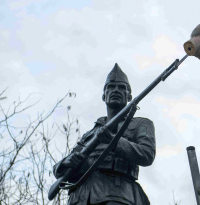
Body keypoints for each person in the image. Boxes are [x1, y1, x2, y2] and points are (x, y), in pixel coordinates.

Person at [53, 63, 156, 205]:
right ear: (104, 95)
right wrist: (67, 163)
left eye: (121, 87)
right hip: (80, 198)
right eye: (111, 87)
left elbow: (147, 154)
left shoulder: (140, 124)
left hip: (117, 195)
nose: (116, 90)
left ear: (129, 96)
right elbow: (62, 168)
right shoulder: (90, 134)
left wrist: (113, 142)